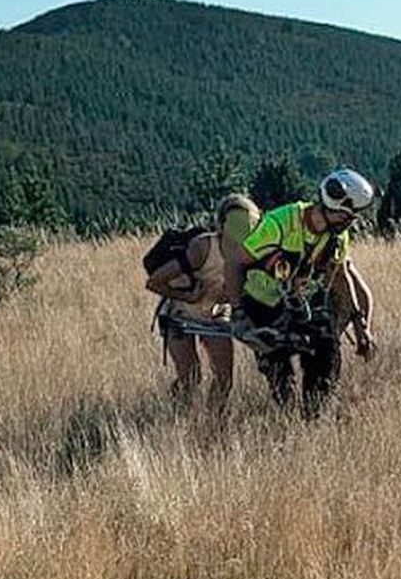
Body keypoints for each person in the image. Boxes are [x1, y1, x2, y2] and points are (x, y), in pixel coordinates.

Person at [225, 168, 377, 419]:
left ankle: (315, 418)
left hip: (300, 301)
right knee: (279, 366)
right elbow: (236, 263)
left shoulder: (338, 237)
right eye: (348, 216)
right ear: (333, 205)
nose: (352, 222)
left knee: (327, 351)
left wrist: (361, 326)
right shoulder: (280, 224)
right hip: (261, 301)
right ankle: (286, 416)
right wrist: (239, 312)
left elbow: (340, 276)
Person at [145, 193, 261, 414]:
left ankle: (210, 428)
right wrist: (188, 296)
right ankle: (176, 416)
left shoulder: (254, 253)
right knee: (190, 378)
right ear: (221, 225)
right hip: (179, 316)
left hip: (216, 318)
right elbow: (154, 282)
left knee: (224, 380)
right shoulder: (203, 248)